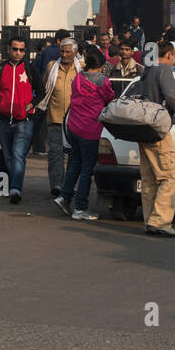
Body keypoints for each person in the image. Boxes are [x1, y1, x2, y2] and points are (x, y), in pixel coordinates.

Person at [56, 47, 116, 221]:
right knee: (87, 169)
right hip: (90, 130)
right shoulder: (102, 81)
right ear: (101, 65)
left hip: (74, 127)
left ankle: (65, 197)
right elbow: (109, 99)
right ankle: (80, 208)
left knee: (75, 163)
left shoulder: (78, 78)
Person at [137, 43, 175, 237]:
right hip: (158, 129)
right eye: (173, 56)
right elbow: (171, 96)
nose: (174, 60)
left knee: (149, 178)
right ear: (169, 54)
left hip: (143, 129)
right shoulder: (164, 70)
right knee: (170, 175)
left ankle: (150, 220)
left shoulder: (147, 71)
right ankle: (160, 221)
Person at [0, 36, 36, 203]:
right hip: (4, 120)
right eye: (15, 49)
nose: (18, 53)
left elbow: (42, 90)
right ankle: (15, 183)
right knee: (8, 156)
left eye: (21, 50)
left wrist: (31, 106)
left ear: (25, 52)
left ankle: (15, 189)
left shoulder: (30, 68)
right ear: (8, 49)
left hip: (24, 121)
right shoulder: (0, 69)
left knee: (18, 154)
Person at [35, 38, 82, 195]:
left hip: (75, 121)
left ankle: (68, 185)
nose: (64, 54)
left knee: (73, 156)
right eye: (62, 51)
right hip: (54, 118)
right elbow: (45, 88)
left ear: (75, 52)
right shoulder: (51, 67)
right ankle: (57, 185)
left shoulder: (81, 69)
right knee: (55, 155)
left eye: (68, 52)